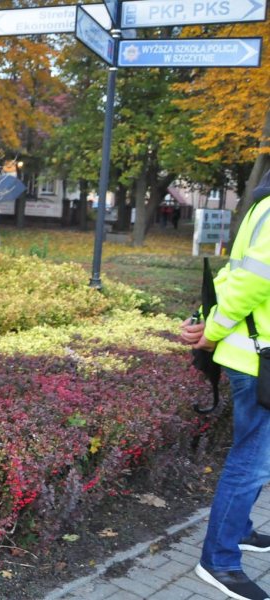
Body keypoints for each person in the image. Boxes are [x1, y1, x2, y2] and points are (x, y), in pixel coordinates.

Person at [180, 168, 270, 600]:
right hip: (260, 359)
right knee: (251, 461)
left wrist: (203, 320)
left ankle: (242, 530)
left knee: (254, 455)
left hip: (254, 354)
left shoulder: (262, 203)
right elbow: (252, 281)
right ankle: (219, 560)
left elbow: (235, 274)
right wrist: (211, 331)